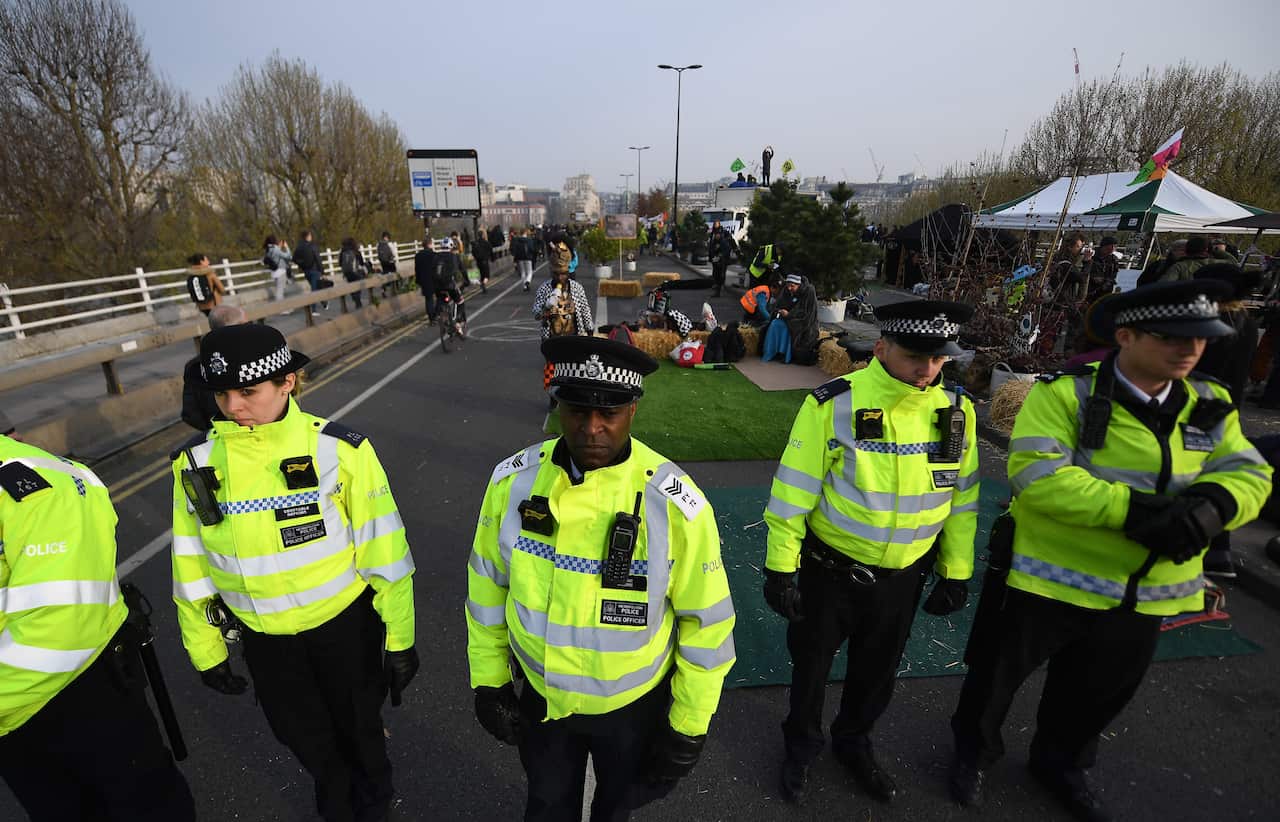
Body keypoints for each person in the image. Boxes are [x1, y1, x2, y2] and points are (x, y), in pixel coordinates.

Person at [949, 280, 1272, 821]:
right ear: (1126, 335)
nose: (1190, 350)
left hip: (1141, 594)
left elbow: (1248, 472)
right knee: (994, 679)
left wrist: (1213, 508)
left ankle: (1061, 766)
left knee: (1097, 694)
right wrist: (1139, 513)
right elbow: (1037, 475)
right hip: (1046, 581)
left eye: (1200, 338)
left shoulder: (1209, 403)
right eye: (1172, 337)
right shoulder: (1066, 394)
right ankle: (972, 754)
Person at [465, 336, 737, 821]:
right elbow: (487, 587)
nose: (591, 428)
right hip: (543, 702)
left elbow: (709, 624)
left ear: (633, 409)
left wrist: (688, 725)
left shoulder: (676, 504)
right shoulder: (511, 484)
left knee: (617, 808)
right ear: (558, 407)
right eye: (575, 410)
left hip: (631, 710)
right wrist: (489, 682)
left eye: (608, 412)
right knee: (547, 806)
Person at [171, 323, 419, 822]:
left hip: (343, 631)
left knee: (361, 734)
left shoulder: (340, 450)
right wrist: (205, 647)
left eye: (247, 391)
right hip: (266, 641)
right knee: (304, 739)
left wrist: (400, 637)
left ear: (287, 382)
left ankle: (373, 806)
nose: (233, 407)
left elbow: (385, 551)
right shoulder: (193, 464)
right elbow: (191, 562)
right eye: (221, 393)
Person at [763, 300, 979, 805]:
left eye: (938, 358)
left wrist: (955, 570)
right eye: (914, 356)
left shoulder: (957, 411)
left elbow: (963, 499)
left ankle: (854, 742)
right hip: (830, 573)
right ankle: (801, 745)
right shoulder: (834, 403)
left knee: (877, 673)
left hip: (903, 577)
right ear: (881, 348)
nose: (927, 369)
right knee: (811, 670)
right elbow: (793, 493)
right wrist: (780, 569)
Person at [1, 434, 196, 821]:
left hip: (78, 693)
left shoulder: (39, 486)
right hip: (12, 715)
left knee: (140, 805)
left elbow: (58, 630)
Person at [1190, 264, 1262, 578]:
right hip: (1227, 407)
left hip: (1198, 407)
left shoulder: (1212, 322)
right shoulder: (1244, 321)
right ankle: (1219, 553)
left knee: (1193, 475)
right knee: (1215, 472)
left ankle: (1209, 549)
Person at [533, 264, 593, 407]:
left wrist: (590, 328)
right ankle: (553, 398)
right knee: (553, 370)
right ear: (551, 273)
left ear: (568, 273)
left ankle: (571, 399)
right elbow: (535, 312)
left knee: (574, 368)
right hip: (552, 338)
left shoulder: (577, 288)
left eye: (563, 274)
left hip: (573, 335)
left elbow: (585, 308)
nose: (560, 277)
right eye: (556, 274)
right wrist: (545, 310)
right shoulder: (544, 288)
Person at [181, 304, 248, 431]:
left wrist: (214, 430)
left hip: (216, 435)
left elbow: (190, 414)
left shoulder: (193, 366)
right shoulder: (252, 359)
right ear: (239, 328)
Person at [762, 273, 819, 365]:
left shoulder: (809, 292)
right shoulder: (786, 290)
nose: (789, 288)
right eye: (788, 285)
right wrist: (779, 311)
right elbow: (778, 305)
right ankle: (772, 352)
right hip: (786, 318)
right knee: (774, 324)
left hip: (803, 321)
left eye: (792, 286)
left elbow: (807, 313)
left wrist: (789, 314)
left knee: (790, 328)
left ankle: (786, 355)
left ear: (799, 285)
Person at [1083, 236, 1120, 303]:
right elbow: (1085, 270)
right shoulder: (1093, 255)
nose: (1112, 249)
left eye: (1114, 246)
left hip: (1105, 290)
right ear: (1104, 246)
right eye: (1111, 246)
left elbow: (1113, 275)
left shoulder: (1114, 259)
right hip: (1091, 289)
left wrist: (1106, 283)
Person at [295, 230, 326, 305]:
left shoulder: (299, 247)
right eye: (310, 235)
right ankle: (314, 309)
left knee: (315, 287)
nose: (311, 237)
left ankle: (323, 302)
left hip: (306, 271)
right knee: (314, 289)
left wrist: (302, 265)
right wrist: (322, 271)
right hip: (315, 270)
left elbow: (294, 259)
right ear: (307, 236)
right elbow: (318, 259)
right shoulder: (312, 246)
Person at [338, 237, 369, 309]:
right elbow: (361, 262)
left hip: (346, 273)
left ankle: (355, 298)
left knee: (351, 285)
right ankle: (357, 300)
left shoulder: (342, 252)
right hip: (355, 272)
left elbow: (340, 263)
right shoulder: (355, 251)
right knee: (357, 285)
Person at [415, 235, 439, 319]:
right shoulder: (434, 254)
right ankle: (435, 313)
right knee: (440, 297)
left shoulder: (418, 256)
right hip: (434, 279)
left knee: (428, 299)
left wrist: (418, 281)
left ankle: (431, 318)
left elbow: (417, 269)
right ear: (430, 244)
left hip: (424, 280)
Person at [709, 224, 737, 298]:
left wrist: (720, 256)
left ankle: (719, 289)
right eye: (716, 234)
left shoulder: (723, 241)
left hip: (722, 261)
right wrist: (713, 257)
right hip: (716, 261)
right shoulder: (714, 241)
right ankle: (717, 287)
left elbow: (727, 250)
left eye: (718, 234)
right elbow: (711, 249)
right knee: (716, 274)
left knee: (721, 275)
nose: (717, 235)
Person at [264, 234, 292, 308]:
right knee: (279, 292)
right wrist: (286, 247)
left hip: (274, 273)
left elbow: (275, 256)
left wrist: (279, 247)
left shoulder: (268, 249)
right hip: (280, 272)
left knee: (280, 290)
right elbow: (287, 256)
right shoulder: (276, 249)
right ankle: (281, 309)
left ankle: (284, 308)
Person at [376, 231, 398, 297]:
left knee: (385, 276)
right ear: (387, 237)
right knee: (394, 275)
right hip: (390, 262)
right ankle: (395, 290)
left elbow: (378, 254)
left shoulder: (378, 244)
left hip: (383, 263)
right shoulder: (390, 244)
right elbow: (394, 254)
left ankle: (383, 290)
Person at [472, 228, 492, 294]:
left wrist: (476, 257)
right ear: (483, 235)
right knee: (486, 275)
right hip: (485, 261)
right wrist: (490, 257)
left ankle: (482, 285)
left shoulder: (475, 243)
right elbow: (490, 251)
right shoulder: (486, 243)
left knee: (481, 274)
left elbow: (473, 252)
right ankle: (483, 284)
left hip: (478, 261)